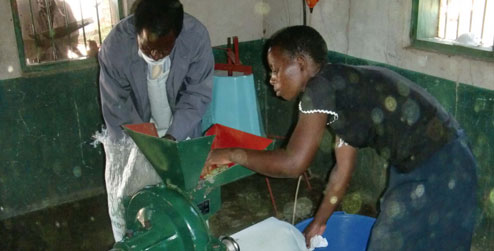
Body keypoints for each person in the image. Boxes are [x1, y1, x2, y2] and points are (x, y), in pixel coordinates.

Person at [204, 25, 477, 250]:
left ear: (300, 65)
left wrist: (231, 154)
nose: (271, 79)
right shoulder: (339, 90)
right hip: (426, 163)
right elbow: (341, 173)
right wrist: (320, 223)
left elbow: (293, 163)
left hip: (441, 166)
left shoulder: (319, 88)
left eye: (275, 70)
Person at [98, 0, 214, 241]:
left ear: (177, 37)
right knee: (132, 207)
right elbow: (117, 107)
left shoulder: (196, 38)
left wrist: (171, 139)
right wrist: (147, 148)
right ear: (135, 31)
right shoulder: (115, 47)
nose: (156, 54)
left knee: (188, 208)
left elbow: (197, 94)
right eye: (148, 47)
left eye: (164, 49)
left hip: (180, 131)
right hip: (130, 136)